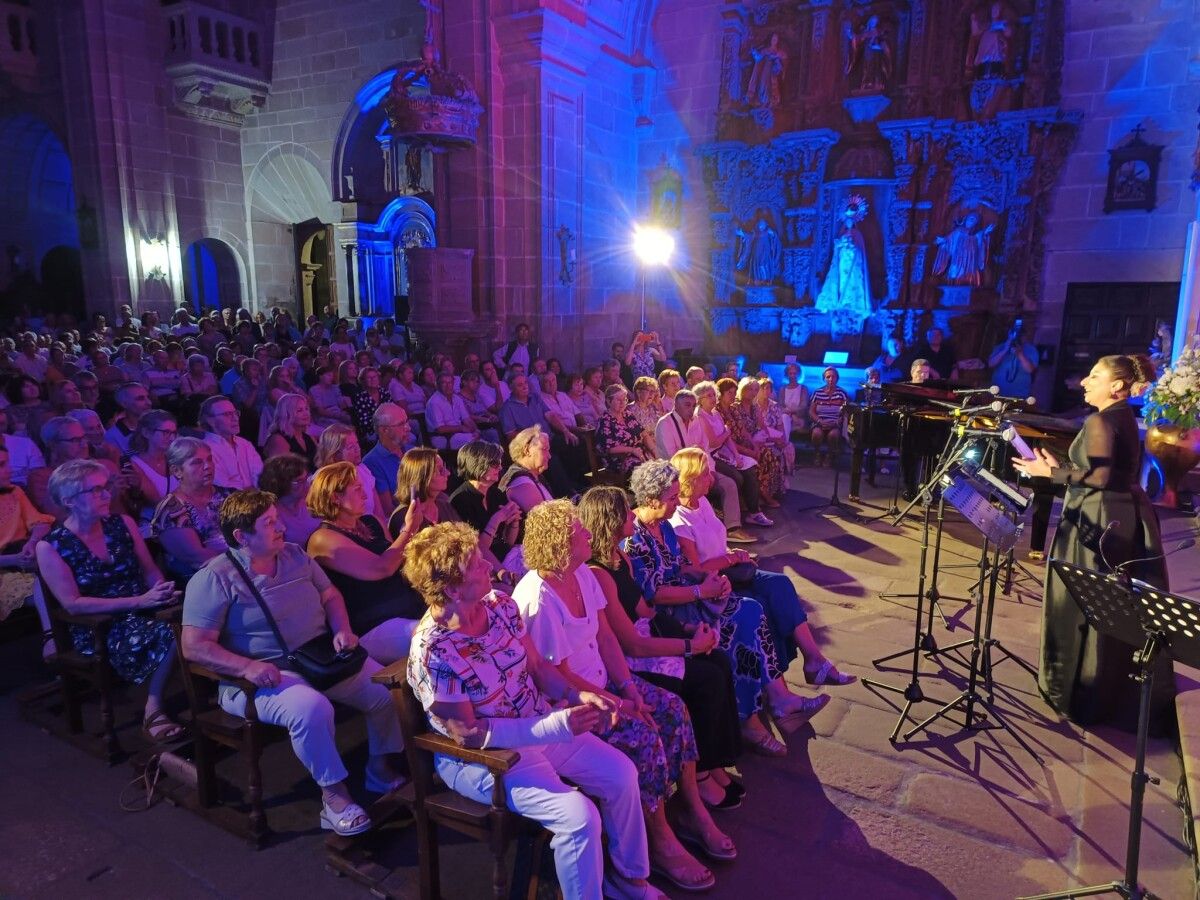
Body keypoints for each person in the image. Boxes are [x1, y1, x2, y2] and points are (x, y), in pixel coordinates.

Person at [403, 522, 662, 900]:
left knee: (621, 773)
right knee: (578, 818)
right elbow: (468, 733)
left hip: (541, 722)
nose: (488, 566)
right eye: (476, 564)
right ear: (453, 589)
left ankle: (628, 882)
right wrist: (551, 726)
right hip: (485, 760)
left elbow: (539, 668)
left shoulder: (499, 605)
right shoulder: (434, 652)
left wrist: (577, 696)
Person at [515, 501, 730, 891]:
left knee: (671, 710)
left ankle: (692, 810)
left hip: (608, 685)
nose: (586, 534)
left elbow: (606, 637)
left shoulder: (581, 575)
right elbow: (557, 676)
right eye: (578, 530)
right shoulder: (539, 599)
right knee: (643, 738)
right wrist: (618, 703)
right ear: (560, 543)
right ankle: (660, 841)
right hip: (574, 702)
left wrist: (629, 688)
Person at [181, 489, 406, 837]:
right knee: (311, 708)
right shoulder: (213, 579)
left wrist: (342, 628)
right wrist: (247, 668)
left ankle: (379, 767)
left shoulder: (295, 556)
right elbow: (194, 647)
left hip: (317, 658)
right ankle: (334, 799)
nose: (281, 527)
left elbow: (330, 595)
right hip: (261, 677)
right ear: (242, 536)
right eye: (269, 523)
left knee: (387, 689)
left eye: (277, 518)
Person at [1013, 354, 1173, 733]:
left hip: (1098, 519)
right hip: (1120, 516)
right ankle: (1105, 692)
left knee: (1084, 601)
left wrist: (1050, 472)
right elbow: (1107, 472)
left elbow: (1099, 477)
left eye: (1094, 376)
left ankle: (1079, 693)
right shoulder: (1120, 416)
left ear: (1117, 385)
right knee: (1110, 603)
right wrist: (1060, 468)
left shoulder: (1102, 418)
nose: (1085, 381)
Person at [624, 459, 827, 757]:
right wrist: (699, 590)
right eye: (670, 498)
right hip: (667, 616)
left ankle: (780, 698)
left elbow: (681, 566)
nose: (675, 503)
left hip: (690, 598)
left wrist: (710, 580)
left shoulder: (664, 526)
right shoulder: (634, 539)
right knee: (733, 632)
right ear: (651, 500)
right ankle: (749, 719)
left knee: (752, 610)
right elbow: (652, 595)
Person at [578, 486, 744, 810]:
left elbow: (646, 610)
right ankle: (697, 780)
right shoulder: (598, 574)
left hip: (646, 638)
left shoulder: (619, 557)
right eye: (626, 512)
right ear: (611, 520)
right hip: (631, 658)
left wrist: (687, 630)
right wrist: (688, 647)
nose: (632, 515)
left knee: (720, 661)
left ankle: (714, 763)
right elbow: (632, 644)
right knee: (704, 679)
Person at [671, 448, 855, 688]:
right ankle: (780, 688)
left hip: (731, 566)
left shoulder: (702, 502)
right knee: (762, 605)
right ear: (691, 478)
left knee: (780, 583)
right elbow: (695, 568)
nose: (712, 478)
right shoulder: (679, 521)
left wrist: (734, 556)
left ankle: (814, 660)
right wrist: (732, 559)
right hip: (716, 581)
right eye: (706, 474)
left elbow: (716, 544)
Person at [36, 459, 182, 741]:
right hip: (99, 624)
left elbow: (150, 570)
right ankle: (153, 708)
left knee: (205, 616)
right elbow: (73, 604)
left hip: (145, 604)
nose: (107, 496)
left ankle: (219, 698)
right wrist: (140, 602)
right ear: (69, 500)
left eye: (106, 488)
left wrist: (162, 591)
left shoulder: (122, 524)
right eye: (95, 491)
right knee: (174, 632)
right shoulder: (51, 546)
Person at [305, 462, 426, 666]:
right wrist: (409, 530)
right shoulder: (322, 538)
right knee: (431, 637)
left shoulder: (372, 522)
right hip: (373, 624)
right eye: (357, 489)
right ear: (336, 497)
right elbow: (381, 568)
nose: (365, 495)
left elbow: (401, 561)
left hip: (408, 606)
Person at [151, 437, 233, 580]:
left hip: (242, 570)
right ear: (177, 471)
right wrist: (249, 557)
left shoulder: (231, 495)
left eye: (209, 459)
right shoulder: (170, 509)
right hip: (201, 581)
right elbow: (197, 557)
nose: (208, 466)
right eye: (197, 462)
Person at [694, 381, 771, 529]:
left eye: (713, 394)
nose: (712, 398)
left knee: (749, 469)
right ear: (700, 399)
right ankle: (723, 512)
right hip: (711, 455)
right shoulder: (700, 416)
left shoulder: (715, 413)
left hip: (725, 452)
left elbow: (727, 438)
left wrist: (736, 456)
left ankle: (754, 512)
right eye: (708, 395)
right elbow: (713, 442)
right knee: (737, 477)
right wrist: (726, 432)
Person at [449, 440, 522, 566]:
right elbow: (477, 551)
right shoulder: (461, 500)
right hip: (484, 566)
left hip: (504, 556)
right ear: (477, 464)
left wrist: (514, 522)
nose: (500, 467)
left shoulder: (495, 493)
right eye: (494, 463)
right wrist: (496, 519)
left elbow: (507, 542)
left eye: (499, 463)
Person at [721, 377, 783, 507]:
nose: (753, 392)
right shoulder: (735, 406)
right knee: (764, 456)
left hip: (752, 441)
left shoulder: (755, 407)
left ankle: (766, 492)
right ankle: (762, 495)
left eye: (756, 389)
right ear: (742, 390)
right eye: (749, 389)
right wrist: (750, 449)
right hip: (735, 445)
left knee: (770, 454)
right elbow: (733, 434)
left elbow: (758, 428)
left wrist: (757, 445)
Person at [126, 410, 178, 533]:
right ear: (146, 433)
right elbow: (158, 502)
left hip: (183, 518)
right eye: (166, 432)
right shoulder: (134, 464)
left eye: (174, 433)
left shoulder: (176, 458)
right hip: (157, 527)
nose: (171, 438)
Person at [315, 422, 380, 520]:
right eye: (350, 447)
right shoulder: (324, 480)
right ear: (335, 454)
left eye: (357, 443)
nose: (357, 449)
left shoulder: (363, 470)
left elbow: (379, 512)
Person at [199, 395, 264, 490]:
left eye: (235, 413)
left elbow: (261, 477)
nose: (235, 418)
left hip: (257, 500)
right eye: (227, 414)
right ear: (210, 420)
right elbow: (224, 488)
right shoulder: (204, 449)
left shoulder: (245, 444)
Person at [361, 403, 412, 517]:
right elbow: (389, 510)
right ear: (384, 430)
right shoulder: (371, 462)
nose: (408, 428)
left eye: (406, 422)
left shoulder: (412, 450)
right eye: (401, 424)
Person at [258, 453, 319, 546]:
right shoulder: (272, 514)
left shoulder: (312, 501)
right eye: (299, 481)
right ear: (281, 484)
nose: (307, 484)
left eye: (306, 478)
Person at [499, 425, 556, 513]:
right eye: (544, 449)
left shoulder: (533, 476)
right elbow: (544, 521)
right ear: (527, 450)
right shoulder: (521, 483)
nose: (549, 456)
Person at [595, 385, 646, 476]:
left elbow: (643, 434)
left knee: (658, 464)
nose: (623, 403)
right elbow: (610, 449)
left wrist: (654, 450)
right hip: (619, 460)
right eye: (619, 400)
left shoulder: (628, 415)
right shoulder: (605, 420)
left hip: (638, 453)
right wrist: (632, 450)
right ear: (609, 401)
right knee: (643, 471)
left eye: (625, 399)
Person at [425, 371, 479, 450]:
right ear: (438, 385)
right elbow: (440, 429)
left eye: (450, 382)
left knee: (486, 437)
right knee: (474, 441)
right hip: (442, 437)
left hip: (458, 434)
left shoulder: (456, 398)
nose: (448, 386)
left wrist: (476, 431)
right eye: (444, 383)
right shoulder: (434, 402)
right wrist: (461, 428)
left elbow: (467, 419)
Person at [263, 393, 318, 470]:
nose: (306, 413)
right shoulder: (278, 439)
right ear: (287, 414)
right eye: (299, 410)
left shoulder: (309, 438)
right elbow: (282, 472)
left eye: (306, 409)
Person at [988, 317, 1039, 399]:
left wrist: (1020, 354)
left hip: (1019, 395)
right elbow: (991, 364)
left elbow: (1030, 369)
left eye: (1021, 334)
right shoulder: (1000, 347)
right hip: (998, 393)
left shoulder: (1031, 350)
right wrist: (1005, 350)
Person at [808, 367, 849, 467]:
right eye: (828, 377)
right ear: (824, 378)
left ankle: (829, 455)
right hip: (819, 422)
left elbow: (846, 412)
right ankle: (817, 454)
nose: (831, 379)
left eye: (833, 377)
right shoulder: (817, 392)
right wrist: (820, 421)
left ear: (837, 378)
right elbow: (811, 411)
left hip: (835, 423)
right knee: (817, 433)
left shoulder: (842, 393)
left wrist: (837, 422)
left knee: (833, 435)